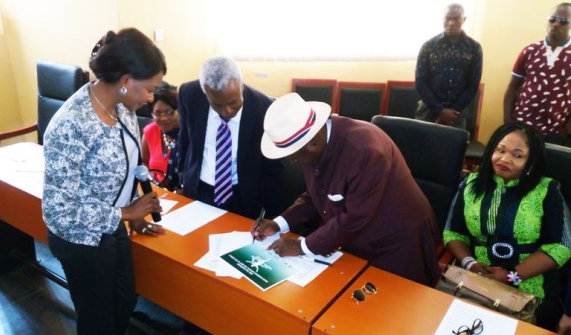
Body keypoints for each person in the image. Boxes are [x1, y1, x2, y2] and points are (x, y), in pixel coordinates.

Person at [42, 28, 166, 335]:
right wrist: (126, 213)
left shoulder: (124, 109)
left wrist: (134, 213)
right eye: (149, 89)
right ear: (125, 81)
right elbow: (58, 211)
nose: (151, 99)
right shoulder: (70, 124)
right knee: (97, 319)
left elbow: (130, 163)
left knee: (124, 302)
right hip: (79, 239)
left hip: (111, 226)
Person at [253, 92, 441, 286]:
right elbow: (316, 195)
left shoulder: (365, 151)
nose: (293, 161)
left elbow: (355, 217)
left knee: (392, 309)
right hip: (354, 239)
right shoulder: (315, 144)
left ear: (313, 142)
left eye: (293, 156)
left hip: (396, 243)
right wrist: (279, 223)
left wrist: (302, 246)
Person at [443, 122, 571, 331]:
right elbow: (453, 232)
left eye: (517, 155)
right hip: (476, 281)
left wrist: (512, 275)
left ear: (531, 161)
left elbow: (560, 247)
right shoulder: (471, 184)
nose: (504, 159)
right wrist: (470, 263)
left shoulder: (547, 191)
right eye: (500, 150)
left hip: (530, 289)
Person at [177, 56, 284, 219]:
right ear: (205, 93)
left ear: (241, 85)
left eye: (233, 103)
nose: (226, 111)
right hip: (199, 189)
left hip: (243, 195)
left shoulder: (264, 108)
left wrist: (273, 216)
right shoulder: (189, 94)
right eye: (217, 105)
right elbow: (184, 139)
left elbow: (273, 167)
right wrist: (181, 177)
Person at [503, 3, 571, 145]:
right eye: (552, 19)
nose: (556, 24)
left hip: (556, 131)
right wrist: (508, 121)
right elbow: (512, 88)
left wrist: (567, 131)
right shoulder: (530, 50)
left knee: (548, 167)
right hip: (521, 126)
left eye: (563, 21)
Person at [415, 3, 483, 129]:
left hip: (457, 114)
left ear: (464, 19)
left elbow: (473, 84)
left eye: (456, 18)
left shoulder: (474, 48)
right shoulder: (429, 46)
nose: (451, 23)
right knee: (422, 147)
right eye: (448, 18)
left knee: (454, 148)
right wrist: (440, 110)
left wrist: (452, 112)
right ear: (443, 19)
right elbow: (420, 81)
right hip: (428, 111)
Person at [141, 84, 181, 191]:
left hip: (185, 195)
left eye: (169, 112)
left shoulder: (189, 135)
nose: (163, 118)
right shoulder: (150, 131)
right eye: (157, 113)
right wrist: (151, 178)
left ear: (179, 111)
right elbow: (144, 162)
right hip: (157, 191)